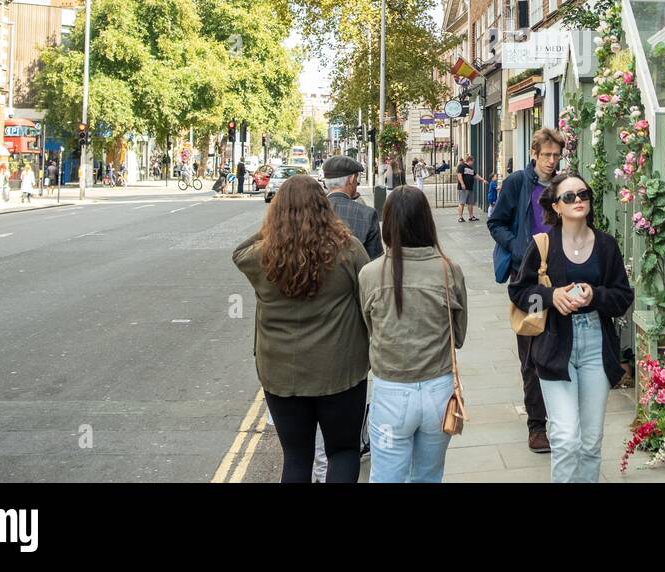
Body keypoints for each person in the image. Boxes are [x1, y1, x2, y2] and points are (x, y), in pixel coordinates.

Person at [232, 175, 370, 483]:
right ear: (324, 208)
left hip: (282, 375)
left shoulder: (261, 256)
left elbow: (239, 251)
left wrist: (280, 226)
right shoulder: (348, 250)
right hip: (340, 372)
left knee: (296, 456)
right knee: (343, 452)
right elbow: (368, 296)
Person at [509, 172, 634, 482]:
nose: (578, 200)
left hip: (595, 344)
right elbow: (521, 294)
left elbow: (622, 297)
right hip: (555, 345)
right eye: (569, 196)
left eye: (583, 194)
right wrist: (551, 298)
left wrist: (595, 295)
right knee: (565, 438)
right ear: (556, 205)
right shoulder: (543, 245)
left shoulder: (606, 245)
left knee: (590, 443)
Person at [360, 186, 467, 483]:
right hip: (439, 393)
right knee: (428, 477)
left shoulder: (370, 274)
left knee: (386, 477)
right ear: (426, 222)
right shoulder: (449, 270)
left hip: (391, 392)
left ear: (388, 223)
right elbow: (458, 336)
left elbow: (369, 330)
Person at [487, 127, 565, 453]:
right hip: (529, 283)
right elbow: (496, 223)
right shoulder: (519, 183)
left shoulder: (564, 186)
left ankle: (560, 419)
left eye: (556, 155)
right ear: (535, 153)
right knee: (531, 351)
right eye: (546, 155)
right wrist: (519, 249)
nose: (551, 161)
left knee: (560, 350)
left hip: (560, 280)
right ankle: (537, 426)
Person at [323, 156, 382, 262]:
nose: (357, 184)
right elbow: (375, 260)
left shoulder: (313, 210)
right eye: (356, 179)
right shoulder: (367, 214)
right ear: (351, 179)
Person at [455, 154, 477, 223]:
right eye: (472, 161)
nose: (473, 163)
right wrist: (462, 183)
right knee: (462, 203)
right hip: (463, 188)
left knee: (470, 203)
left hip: (470, 188)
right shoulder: (461, 166)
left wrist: (482, 180)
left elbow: (475, 175)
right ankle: (460, 217)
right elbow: (459, 175)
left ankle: (471, 216)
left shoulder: (471, 168)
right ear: (469, 161)